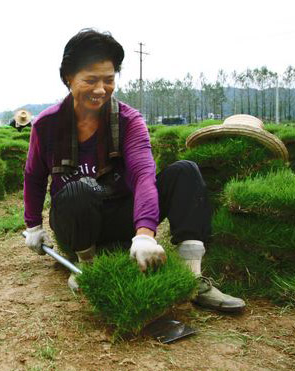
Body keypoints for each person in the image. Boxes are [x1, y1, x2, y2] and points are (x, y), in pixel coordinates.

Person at [23, 29, 245, 312]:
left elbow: (143, 176)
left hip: (120, 214)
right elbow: (33, 175)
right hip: (77, 222)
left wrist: (144, 233)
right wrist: (33, 225)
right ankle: (88, 267)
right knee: (80, 188)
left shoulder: (129, 120)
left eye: (108, 79)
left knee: (185, 172)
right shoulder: (47, 125)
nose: (101, 89)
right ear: (68, 78)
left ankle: (192, 277)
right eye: (90, 80)